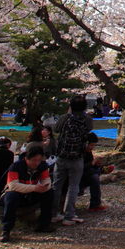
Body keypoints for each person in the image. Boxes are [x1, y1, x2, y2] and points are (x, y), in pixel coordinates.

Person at [0, 143, 54, 242]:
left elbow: (47, 181)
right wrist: (33, 188)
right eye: (34, 160)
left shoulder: (42, 166)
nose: (36, 163)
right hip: (15, 193)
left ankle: (44, 224)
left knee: (49, 193)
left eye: (39, 160)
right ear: (27, 158)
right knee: (12, 197)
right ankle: (6, 229)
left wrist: (44, 187)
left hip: (32, 193)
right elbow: (13, 185)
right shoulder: (16, 166)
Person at [52, 95, 91, 225]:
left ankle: (53, 213)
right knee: (73, 186)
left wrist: (68, 113)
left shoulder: (65, 118)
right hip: (77, 156)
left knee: (56, 185)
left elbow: (56, 129)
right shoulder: (87, 119)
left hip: (62, 155)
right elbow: (89, 131)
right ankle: (69, 215)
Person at [79, 133, 109, 210]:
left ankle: (95, 204)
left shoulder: (88, 152)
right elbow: (80, 168)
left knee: (94, 176)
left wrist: (96, 164)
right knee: (94, 177)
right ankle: (101, 170)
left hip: (86, 174)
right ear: (86, 143)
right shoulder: (79, 152)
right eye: (91, 145)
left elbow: (90, 165)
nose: (92, 147)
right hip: (78, 176)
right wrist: (92, 163)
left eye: (94, 145)